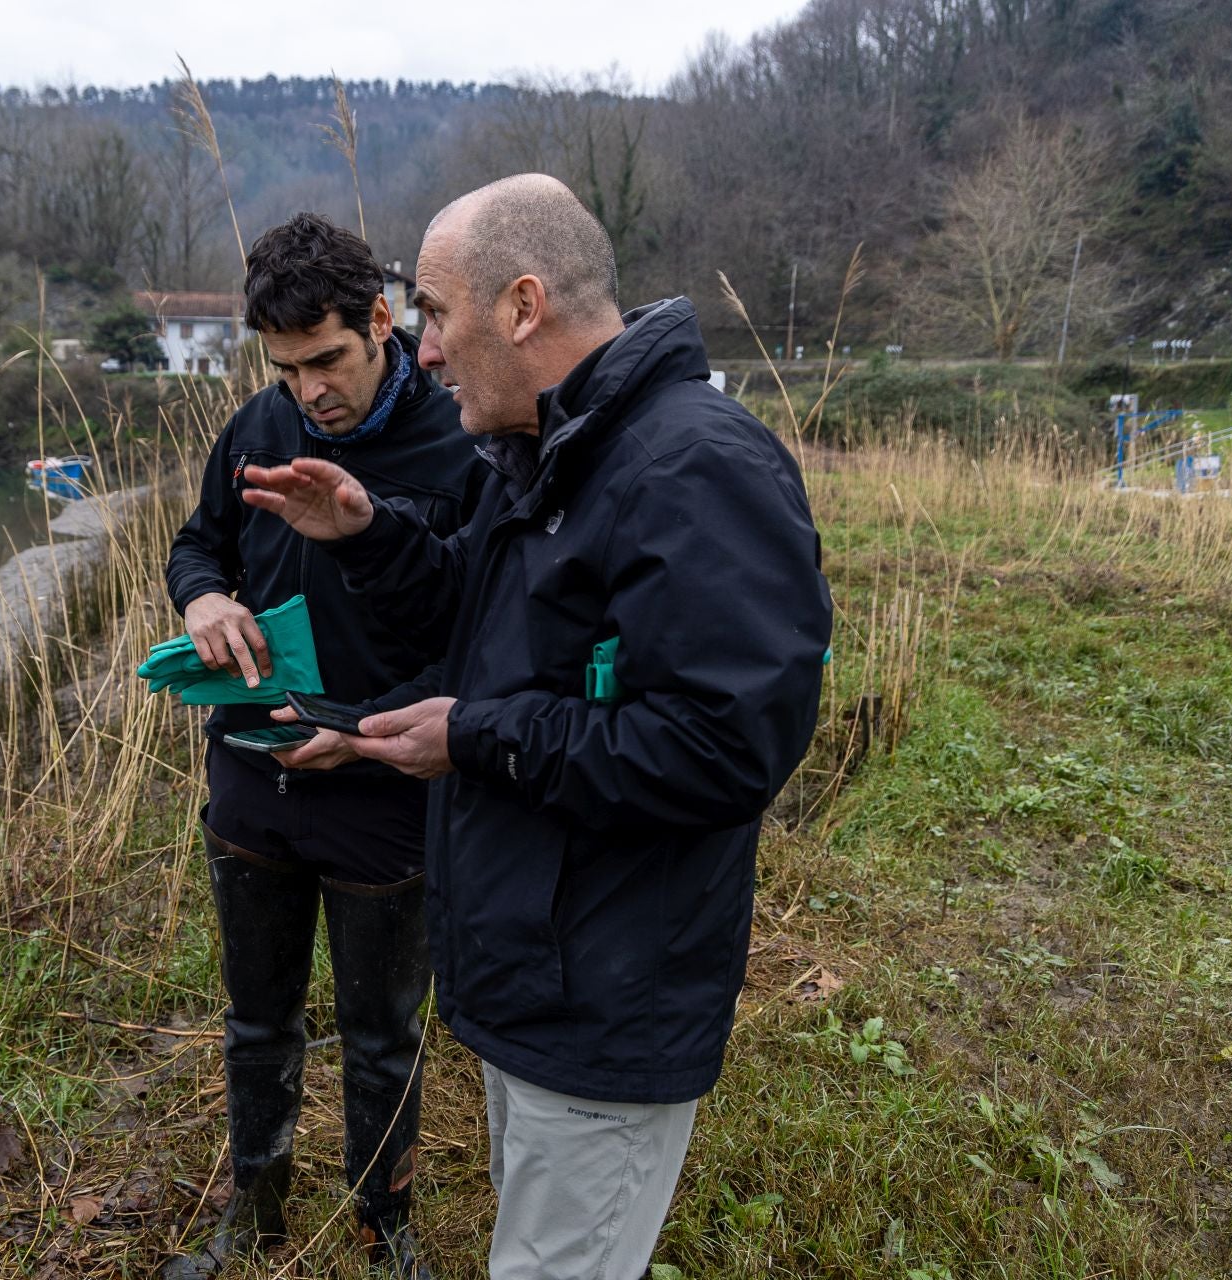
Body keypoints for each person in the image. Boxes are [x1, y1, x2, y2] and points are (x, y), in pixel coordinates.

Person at [241, 175, 833, 1280]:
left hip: (607, 1004)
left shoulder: (692, 466)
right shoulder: (556, 448)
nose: (419, 351)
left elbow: (725, 744)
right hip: (537, 982)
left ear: (521, 306)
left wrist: (478, 737)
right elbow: (483, 615)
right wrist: (366, 535)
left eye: (434, 312)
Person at [161, 211, 479, 1279]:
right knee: (257, 1018)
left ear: (382, 319)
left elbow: (481, 634)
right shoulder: (257, 427)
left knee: (381, 1032)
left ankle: (384, 1227)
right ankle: (254, 1206)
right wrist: (204, 595)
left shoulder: (460, 441)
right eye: (287, 367)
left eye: (328, 360)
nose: (310, 391)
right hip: (250, 780)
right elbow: (200, 539)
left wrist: (360, 734)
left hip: (383, 789)